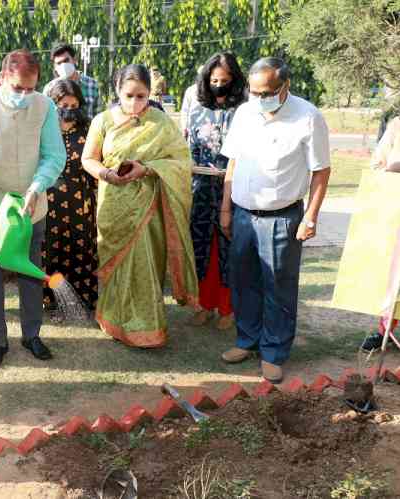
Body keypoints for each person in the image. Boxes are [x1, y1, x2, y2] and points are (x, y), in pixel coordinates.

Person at [219, 57, 331, 383]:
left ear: (285, 87)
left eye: (267, 91)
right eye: (254, 92)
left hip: (282, 218)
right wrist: (226, 207)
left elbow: (321, 170)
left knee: (278, 287)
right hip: (242, 214)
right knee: (243, 282)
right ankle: (247, 340)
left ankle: (273, 351)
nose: (260, 98)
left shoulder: (308, 117)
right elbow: (234, 162)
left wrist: (310, 216)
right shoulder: (244, 114)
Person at [81, 64, 198, 348]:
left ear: (149, 94)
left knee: (145, 265)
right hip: (114, 205)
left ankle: (147, 327)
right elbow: (88, 159)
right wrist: (107, 174)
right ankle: (113, 320)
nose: (135, 103)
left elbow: (182, 161)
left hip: (149, 208)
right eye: (129, 95)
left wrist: (146, 168)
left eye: (142, 96)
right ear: (117, 92)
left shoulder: (160, 121)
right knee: (117, 264)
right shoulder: (103, 121)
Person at [0, 49, 67, 369]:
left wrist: (38, 187)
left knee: (30, 270)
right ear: (3, 77)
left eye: (31, 88)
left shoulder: (45, 106)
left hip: (31, 203)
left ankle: (31, 334)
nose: (25, 95)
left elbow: (54, 155)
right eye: (18, 88)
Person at [188, 53, 247, 331]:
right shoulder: (197, 108)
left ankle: (228, 307)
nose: (219, 85)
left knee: (227, 247)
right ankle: (204, 304)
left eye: (224, 80)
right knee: (201, 247)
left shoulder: (245, 111)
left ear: (234, 80)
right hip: (201, 187)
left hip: (233, 187)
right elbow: (190, 148)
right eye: (214, 80)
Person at [43, 79, 99, 317]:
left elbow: (97, 163)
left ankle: (83, 298)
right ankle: (53, 299)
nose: (69, 108)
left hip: (81, 202)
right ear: (54, 104)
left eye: (74, 104)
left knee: (81, 250)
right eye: (64, 104)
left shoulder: (87, 131)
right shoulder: (44, 131)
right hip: (49, 202)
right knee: (52, 252)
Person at [359, 115, 400, 351]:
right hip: (395, 207)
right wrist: (391, 171)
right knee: (393, 273)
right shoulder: (397, 124)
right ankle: (385, 330)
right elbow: (377, 163)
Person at [42, 43, 101, 120]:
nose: (63, 65)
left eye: (66, 60)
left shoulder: (92, 85)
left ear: (74, 60)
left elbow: (98, 116)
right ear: (55, 67)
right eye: (59, 63)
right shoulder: (49, 89)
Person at [179, 65, 204, 138]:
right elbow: (185, 110)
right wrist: (184, 127)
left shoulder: (212, 91)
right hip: (192, 128)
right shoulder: (190, 90)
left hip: (208, 128)